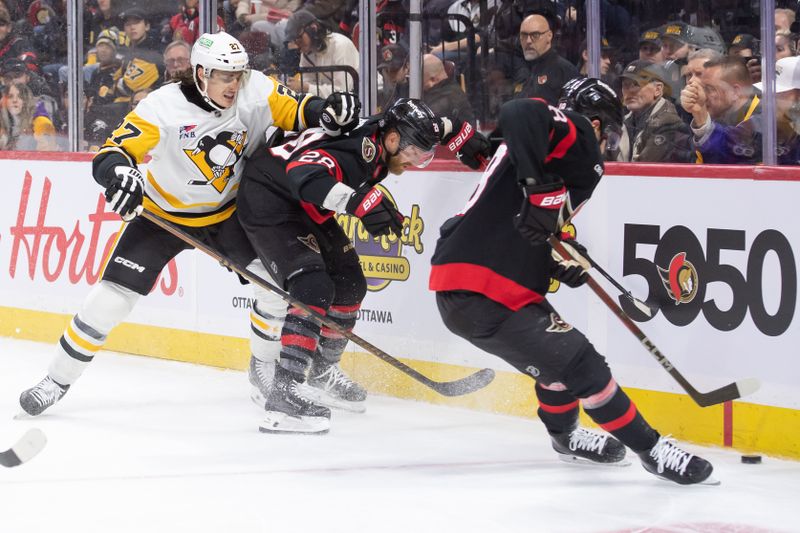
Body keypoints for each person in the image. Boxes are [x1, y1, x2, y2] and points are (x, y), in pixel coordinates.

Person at [18, 31, 361, 419]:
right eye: (224, 76)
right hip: (163, 217)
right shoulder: (162, 107)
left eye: (238, 75)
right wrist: (120, 176)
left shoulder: (255, 89)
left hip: (229, 215)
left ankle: (261, 367)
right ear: (200, 73)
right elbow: (112, 152)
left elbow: (300, 109)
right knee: (108, 302)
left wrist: (329, 110)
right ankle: (55, 381)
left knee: (275, 290)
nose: (234, 84)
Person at [428, 77, 716, 485]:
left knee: (557, 368)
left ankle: (566, 439)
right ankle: (651, 451)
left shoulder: (531, 151)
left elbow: (514, 220)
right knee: (581, 362)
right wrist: (538, 188)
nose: (604, 141)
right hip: (483, 288)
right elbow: (518, 111)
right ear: (596, 123)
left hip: (478, 287)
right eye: (608, 129)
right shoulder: (575, 132)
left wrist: (549, 264)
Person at [236, 98, 490, 433]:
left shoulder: (389, 136)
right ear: (394, 140)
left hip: (308, 207)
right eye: (414, 153)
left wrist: (458, 131)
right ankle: (285, 391)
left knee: (350, 283)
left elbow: (432, 127)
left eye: (423, 156)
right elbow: (302, 173)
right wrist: (357, 201)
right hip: (270, 199)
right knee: (312, 285)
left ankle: (322, 371)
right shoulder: (358, 149)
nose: (416, 162)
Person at [617, 60, 694, 163]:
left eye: (636, 84)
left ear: (657, 89)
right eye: (625, 85)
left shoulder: (671, 125)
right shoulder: (622, 123)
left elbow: (643, 172)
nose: (629, 91)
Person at [284, 9, 359, 98]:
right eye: (294, 40)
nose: (297, 44)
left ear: (313, 28)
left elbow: (343, 91)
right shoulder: (307, 52)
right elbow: (307, 87)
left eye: (299, 37)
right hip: (337, 102)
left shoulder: (340, 46)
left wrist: (305, 87)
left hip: (369, 96)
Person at [513, 12, 578, 104]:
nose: (528, 41)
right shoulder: (520, 71)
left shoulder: (565, 70)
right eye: (523, 35)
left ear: (549, 36)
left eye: (535, 35)